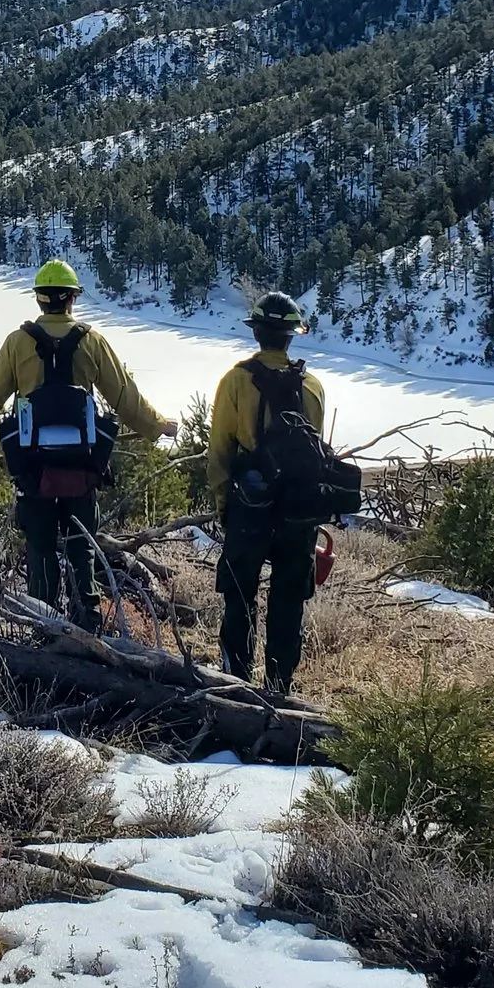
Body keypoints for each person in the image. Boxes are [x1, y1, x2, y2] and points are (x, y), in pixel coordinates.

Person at [0, 259, 176, 630]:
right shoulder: (92, 341)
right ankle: (87, 627)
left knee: (41, 550)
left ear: (39, 299)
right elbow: (126, 399)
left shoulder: (17, 343)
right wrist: (158, 427)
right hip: (82, 469)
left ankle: (43, 628)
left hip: (33, 471)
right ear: (73, 298)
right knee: (81, 550)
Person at [208, 291, 331, 694]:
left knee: (239, 597)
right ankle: (280, 686)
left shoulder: (235, 381)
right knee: (288, 601)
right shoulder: (312, 386)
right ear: (291, 336)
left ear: (257, 332)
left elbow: (220, 452)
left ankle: (235, 683)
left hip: (250, 506)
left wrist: (225, 505)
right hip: (298, 511)